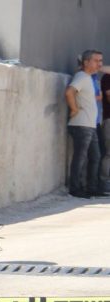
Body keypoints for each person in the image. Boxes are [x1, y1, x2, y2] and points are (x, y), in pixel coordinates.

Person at [64, 50, 106, 198]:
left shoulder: (89, 78)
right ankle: (75, 189)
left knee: (96, 156)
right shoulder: (81, 76)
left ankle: (92, 188)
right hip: (81, 125)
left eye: (101, 61)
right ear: (86, 62)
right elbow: (69, 92)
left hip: (91, 125)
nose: (99, 64)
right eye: (96, 60)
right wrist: (74, 109)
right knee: (80, 157)